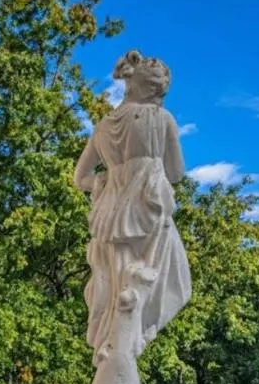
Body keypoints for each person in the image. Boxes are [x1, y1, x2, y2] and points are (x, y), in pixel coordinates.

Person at [74, 50, 192, 367]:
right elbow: (177, 173)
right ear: (152, 90)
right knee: (165, 283)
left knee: (113, 284)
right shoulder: (163, 119)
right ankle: (123, 349)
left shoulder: (102, 127)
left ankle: (111, 349)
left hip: (111, 213)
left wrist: (105, 181)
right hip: (149, 209)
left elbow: (80, 178)